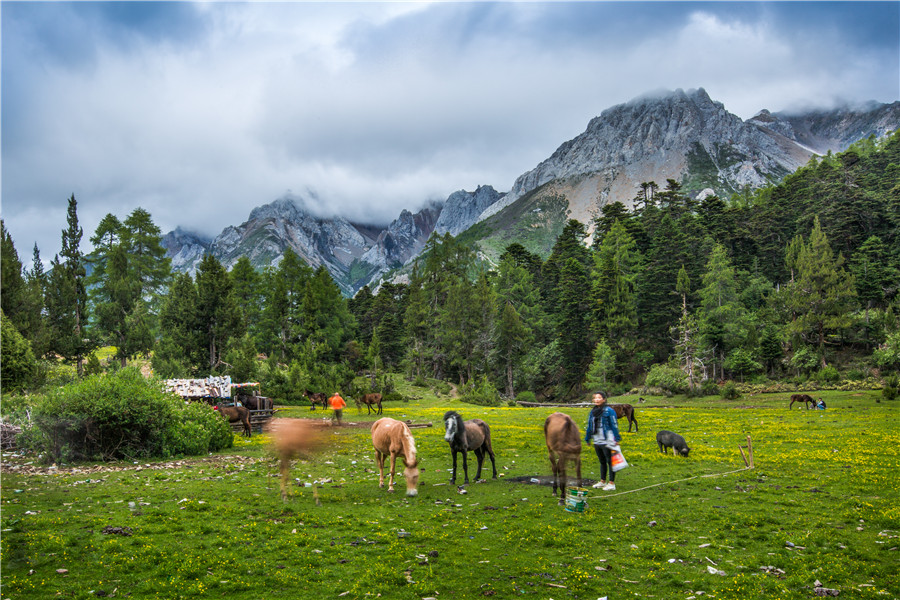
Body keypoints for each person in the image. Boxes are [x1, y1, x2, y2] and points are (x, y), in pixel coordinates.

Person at [584, 390, 622, 491]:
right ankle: (602, 481)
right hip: (597, 440)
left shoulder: (609, 411)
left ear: (604, 399)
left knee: (610, 461)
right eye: (595, 398)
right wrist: (588, 438)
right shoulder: (593, 412)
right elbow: (589, 425)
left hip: (607, 440)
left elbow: (614, 425)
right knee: (602, 461)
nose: (597, 399)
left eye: (599, 397)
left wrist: (616, 438)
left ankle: (611, 483)